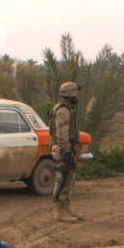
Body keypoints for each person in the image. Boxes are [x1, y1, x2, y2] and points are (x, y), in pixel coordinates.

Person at [50, 80, 82, 222]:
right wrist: (67, 151)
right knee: (62, 179)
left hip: (68, 149)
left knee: (69, 180)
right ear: (70, 94)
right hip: (64, 150)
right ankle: (59, 212)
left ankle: (66, 208)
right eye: (75, 93)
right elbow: (62, 133)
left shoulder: (67, 109)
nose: (77, 96)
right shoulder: (63, 111)